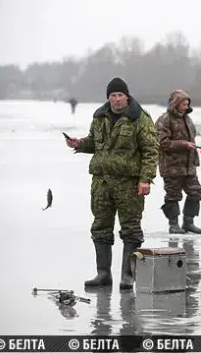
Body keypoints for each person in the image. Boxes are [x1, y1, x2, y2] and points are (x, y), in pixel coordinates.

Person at [65, 77, 159, 291]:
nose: (116, 99)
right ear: (108, 97)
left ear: (127, 96)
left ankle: (128, 275)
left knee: (131, 230)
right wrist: (79, 144)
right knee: (100, 227)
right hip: (102, 183)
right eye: (113, 95)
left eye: (120, 95)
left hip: (129, 183)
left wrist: (146, 179)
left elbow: (151, 152)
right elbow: (94, 143)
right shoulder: (99, 117)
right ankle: (103, 274)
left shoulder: (140, 119)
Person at [155, 89, 201, 234]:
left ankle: (188, 222)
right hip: (171, 166)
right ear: (175, 104)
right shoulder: (164, 119)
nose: (186, 106)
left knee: (196, 193)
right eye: (183, 103)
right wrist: (183, 144)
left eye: (187, 103)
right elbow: (161, 142)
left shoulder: (187, 119)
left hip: (189, 166)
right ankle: (173, 224)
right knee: (173, 195)